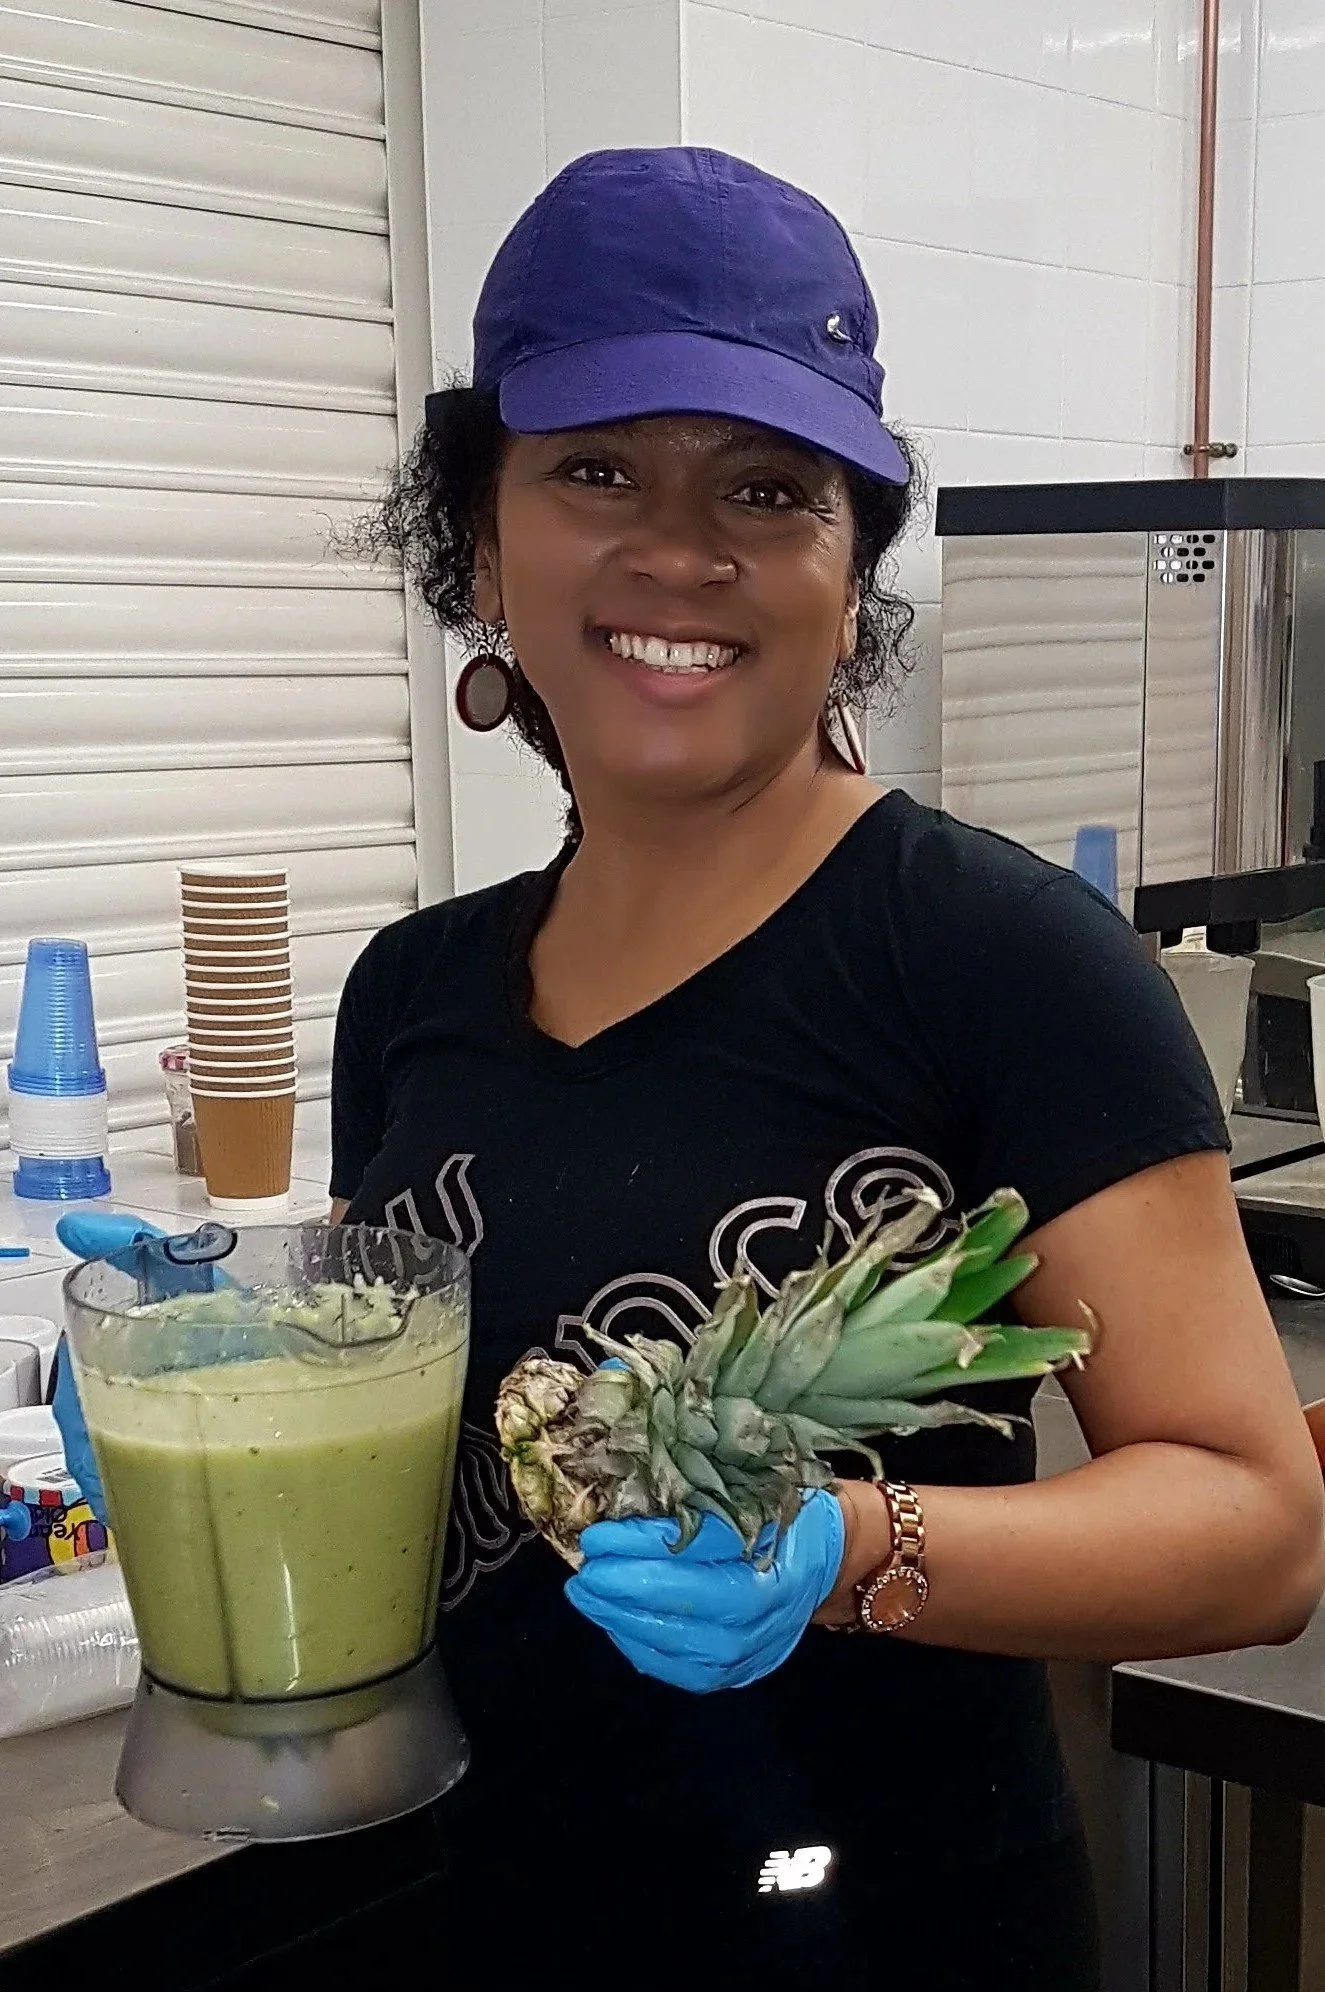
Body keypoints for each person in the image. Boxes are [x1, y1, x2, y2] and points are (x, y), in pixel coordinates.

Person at [55, 149, 1324, 1989]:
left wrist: (854, 1550)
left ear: (850, 572)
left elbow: (1257, 1529)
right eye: (595, 470)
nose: (679, 549)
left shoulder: (1004, 961)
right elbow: (424, 1458)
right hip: (477, 1911)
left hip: (887, 1936)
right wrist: (208, 1386)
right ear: (478, 543)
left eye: (766, 488)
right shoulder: (411, 992)